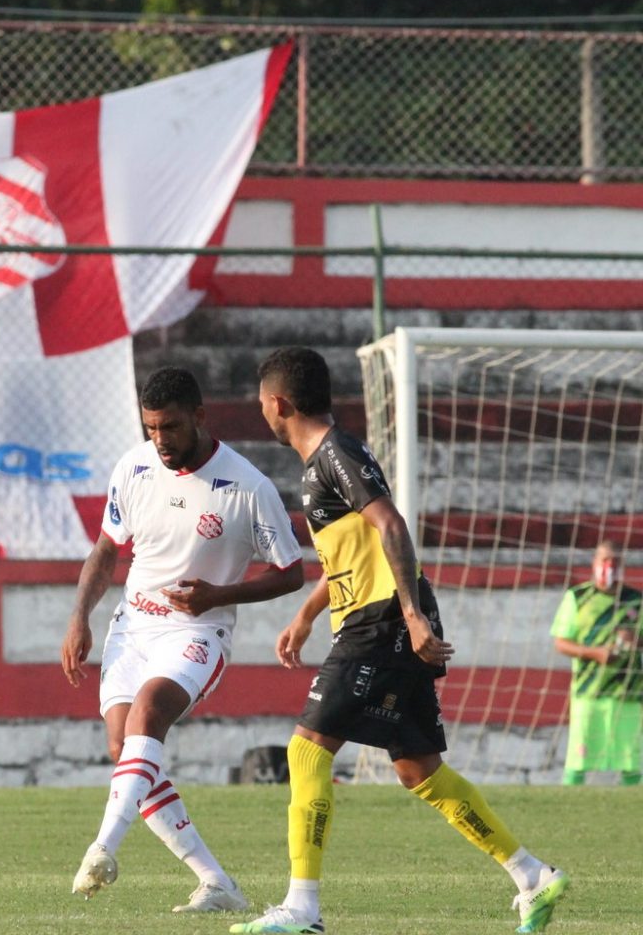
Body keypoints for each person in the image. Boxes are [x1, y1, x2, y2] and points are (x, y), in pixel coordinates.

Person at [234, 346, 568, 935]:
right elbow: (357, 551)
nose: (262, 412)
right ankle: (531, 875)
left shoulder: (335, 452)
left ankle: (302, 909)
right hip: (377, 615)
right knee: (420, 771)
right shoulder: (323, 462)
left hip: (383, 621)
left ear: (278, 403)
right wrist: (310, 612)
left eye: (262, 403)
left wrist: (412, 616)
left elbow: (391, 525)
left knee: (307, 750)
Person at [60, 366, 305, 913]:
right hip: (133, 626)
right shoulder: (134, 467)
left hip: (199, 630)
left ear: (198, 416)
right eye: (151, 428)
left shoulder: (247, 487)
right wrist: (80, 616)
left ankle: (103, 846)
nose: (160, 440)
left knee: (148, 713)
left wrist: (218, 596)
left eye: (170, 427)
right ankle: (216, 883)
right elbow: (105, 550)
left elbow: (291, 572)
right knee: (125, 751)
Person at [551, 539, 643, 786]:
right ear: (595, 563)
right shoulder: (577, 597)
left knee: (631, 761)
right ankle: (567, 807)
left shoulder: (636, 599)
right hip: (588, 690)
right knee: (578, 760)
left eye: (615, 562)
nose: (610, 566)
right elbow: (560, 642)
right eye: (605, 560)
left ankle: (634, 812)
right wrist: (596, 653)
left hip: (629, 693)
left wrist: (636, 640)